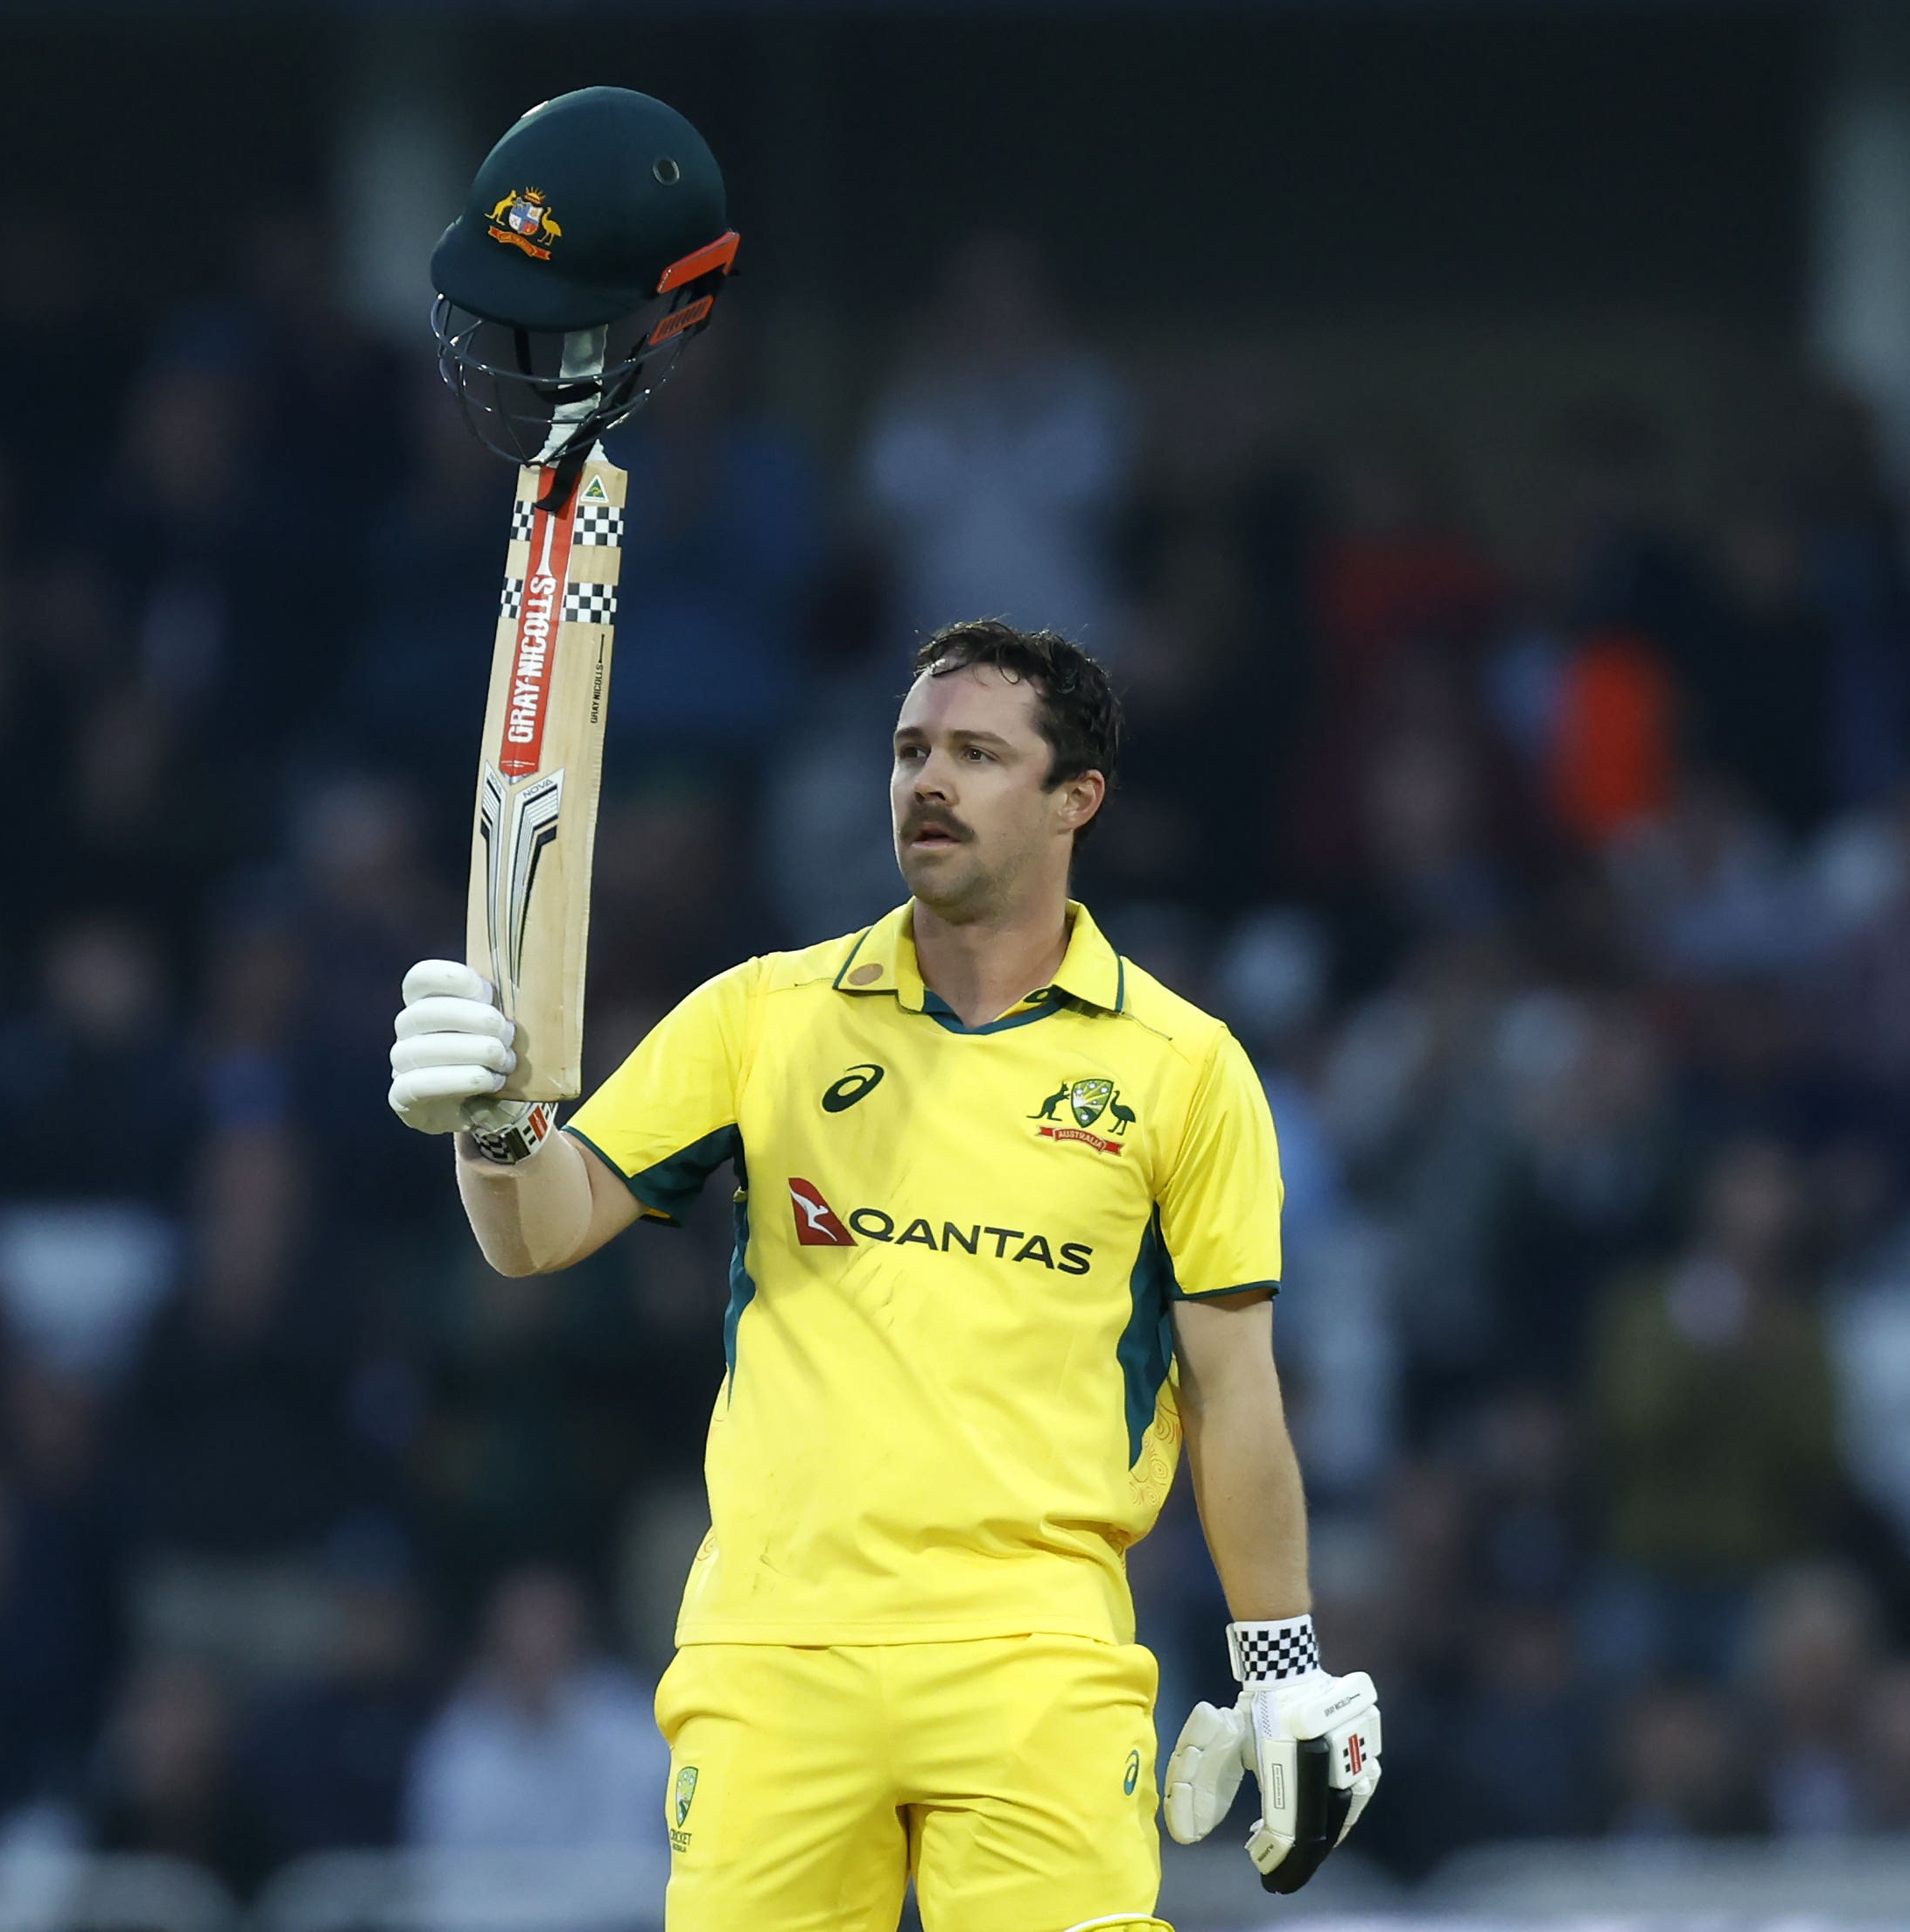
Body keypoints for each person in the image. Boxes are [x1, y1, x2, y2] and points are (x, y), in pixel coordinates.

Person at [388, 620, 1380, 1929]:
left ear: (1077, 797)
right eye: (912, 750)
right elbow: (533, 1234)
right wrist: (496, 1128)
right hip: (774, 1652)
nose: (928, 781)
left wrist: (1281, 1665)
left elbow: (1234, 1390)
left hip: (1038, 1657)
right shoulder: (764, 1016)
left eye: (976, 753)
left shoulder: (1182, 1069)